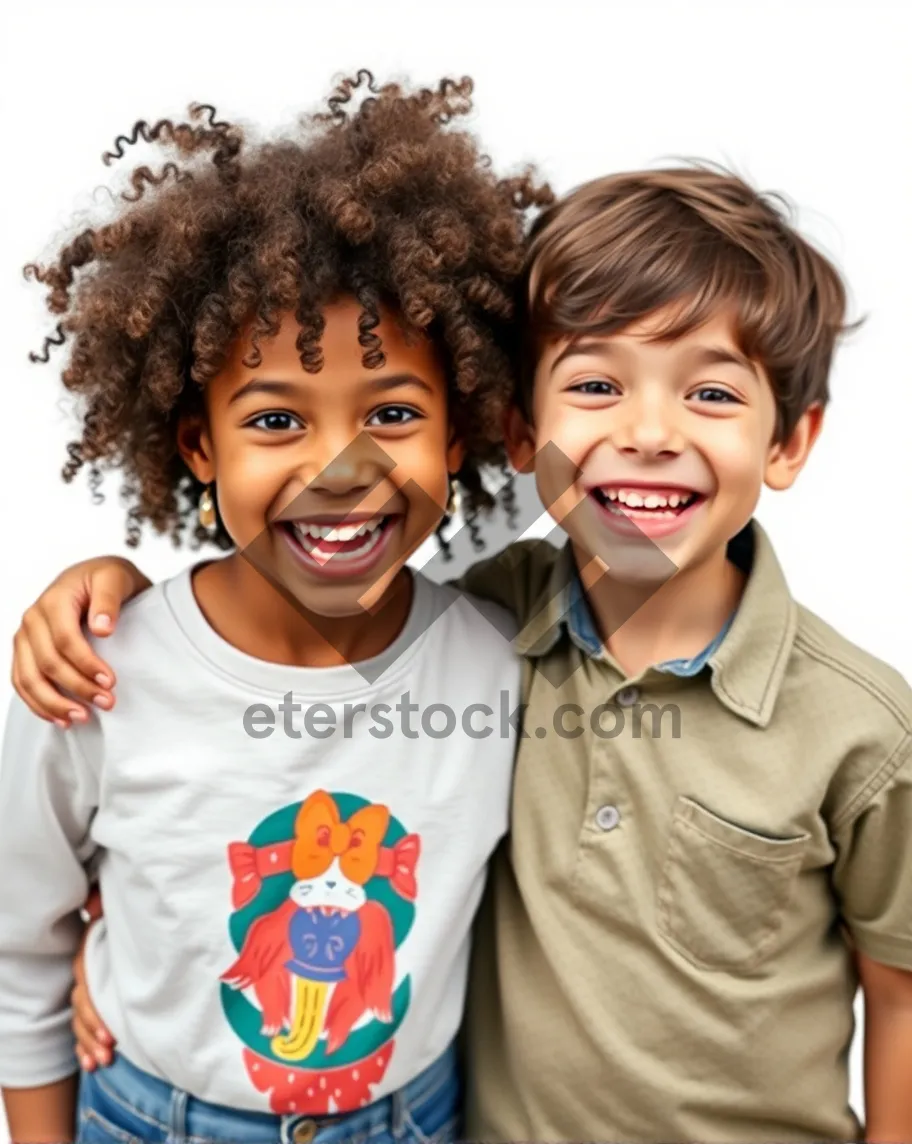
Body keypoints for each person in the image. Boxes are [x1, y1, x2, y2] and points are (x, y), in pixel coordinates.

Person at [11, 165, 912, 1142]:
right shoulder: (484, 627)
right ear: (519, 432)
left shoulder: (513, 645)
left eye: (709, 394)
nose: (649, 433)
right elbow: (63, 900)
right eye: (599, 386)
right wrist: (125, 941)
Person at [0, 70, 553, 1144]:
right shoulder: (94, 676)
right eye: (273, 420)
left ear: (464, 434)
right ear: (197, 446)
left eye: (393, 410)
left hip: (420, 1115)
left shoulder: (501, 662)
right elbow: (19, 947)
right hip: (147, 1117)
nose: (340, 467)